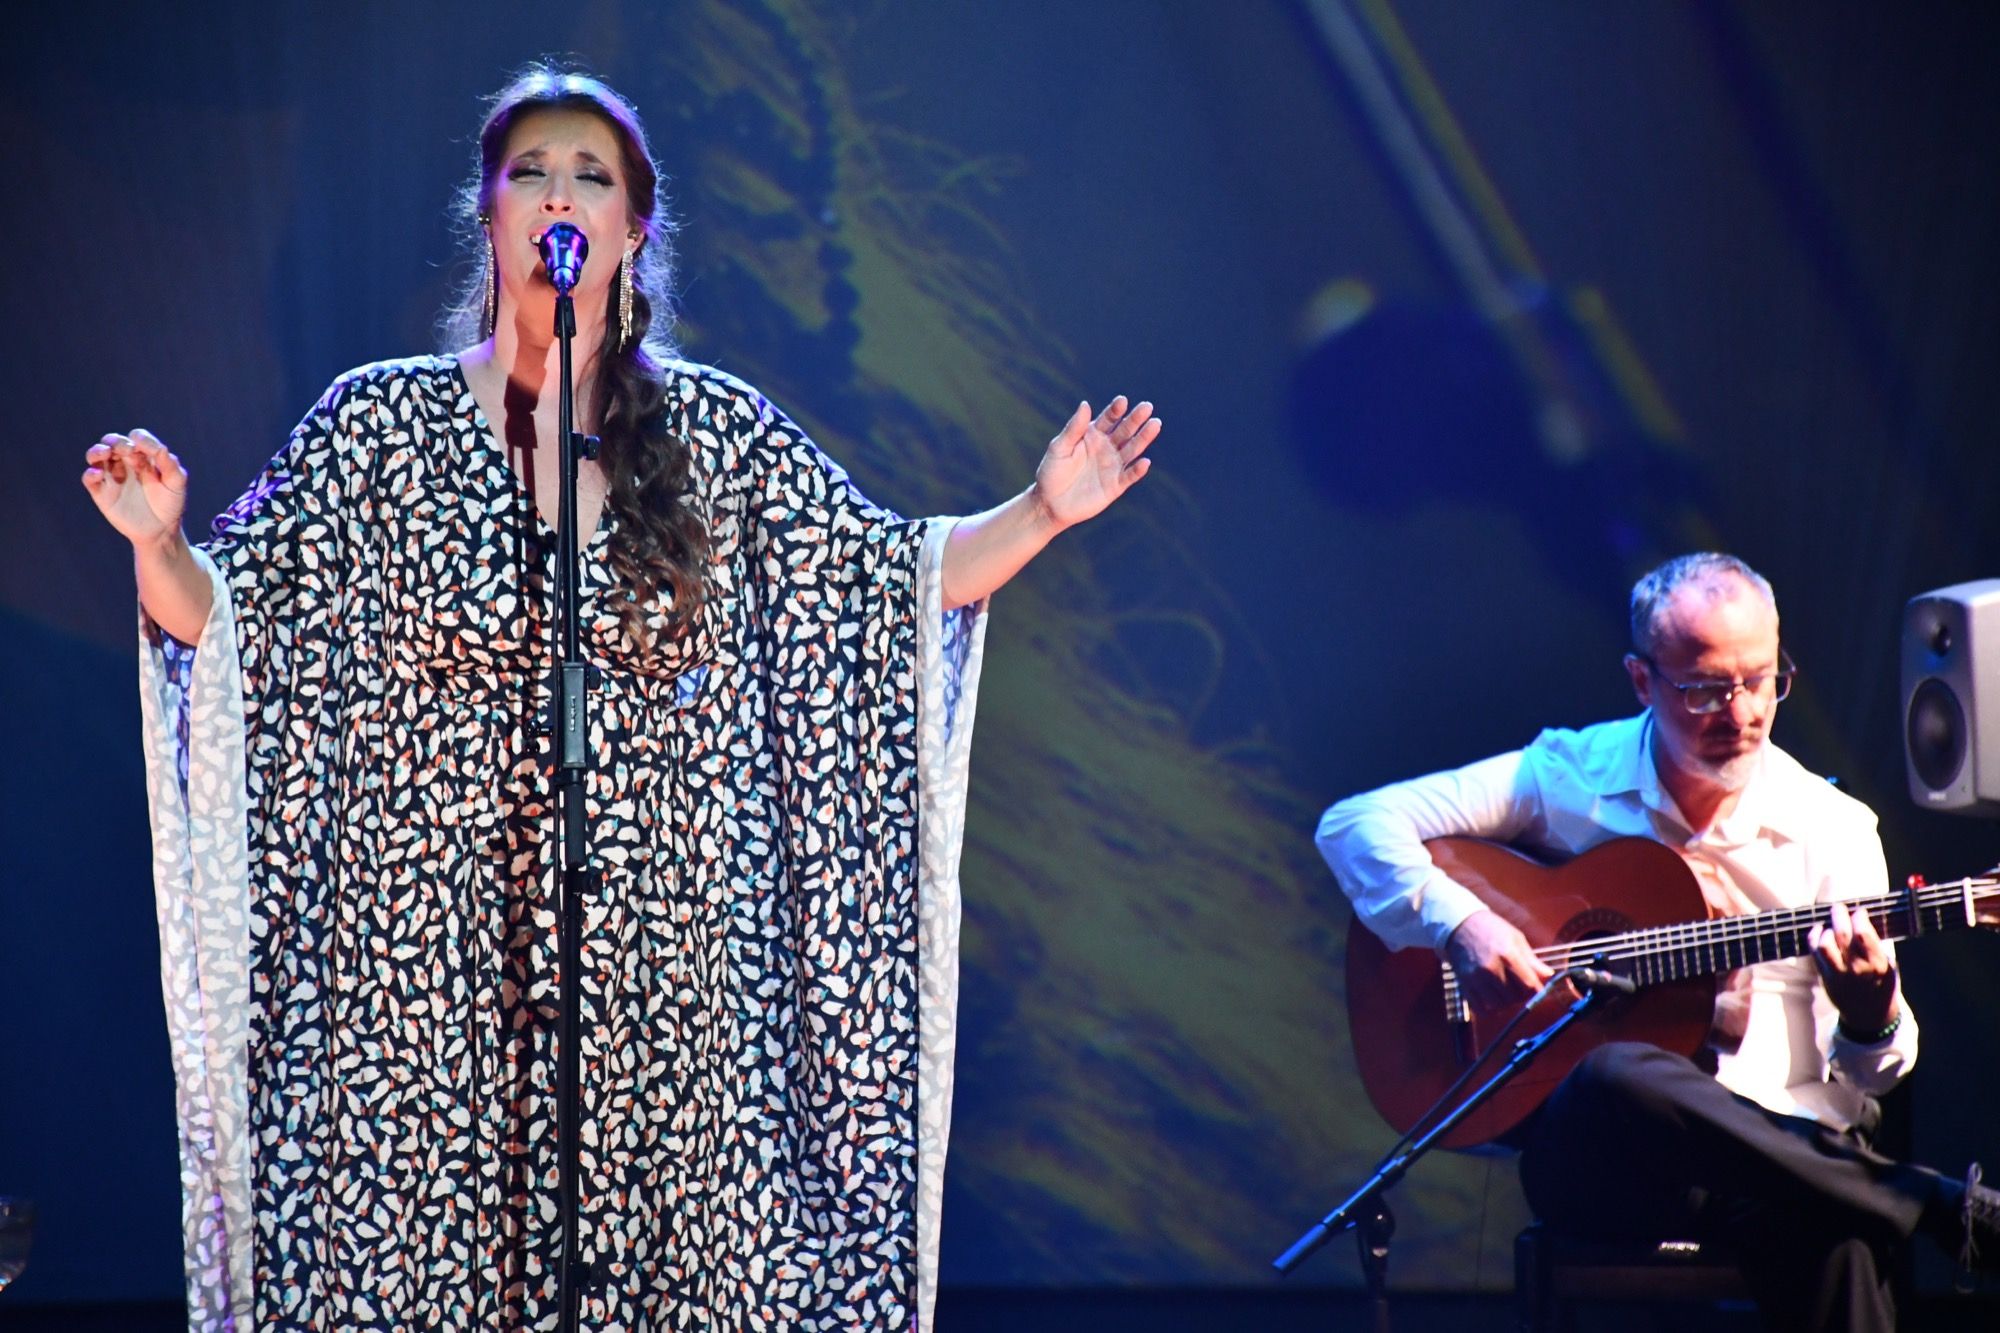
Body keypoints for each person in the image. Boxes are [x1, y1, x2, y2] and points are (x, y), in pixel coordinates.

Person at [82, 65, 1159, 1332]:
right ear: (487, 214)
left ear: (633, 227)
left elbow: (888, 583)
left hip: (672, 983)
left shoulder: (716, 435)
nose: (559, 193)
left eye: (590, 175)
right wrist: (161, 545)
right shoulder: (374, 425)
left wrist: (1041, 510)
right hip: (423, 985)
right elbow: (237, 624)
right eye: (530, 169)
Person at [1316, 553, 1996, 1331]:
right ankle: (1942, 1207)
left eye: (1764, 679)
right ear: (1643, 680)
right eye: (1706, 689)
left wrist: (1870, 1013)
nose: (1741, 712)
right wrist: (1462, 924)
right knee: (1615, 1073)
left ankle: (1924, 1207)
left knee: (1833, 1218)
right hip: (1610, 1166)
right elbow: (1354, 824)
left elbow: (1863, 1087)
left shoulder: (1833, 832)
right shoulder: (1570, 774)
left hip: (1783, 1154)